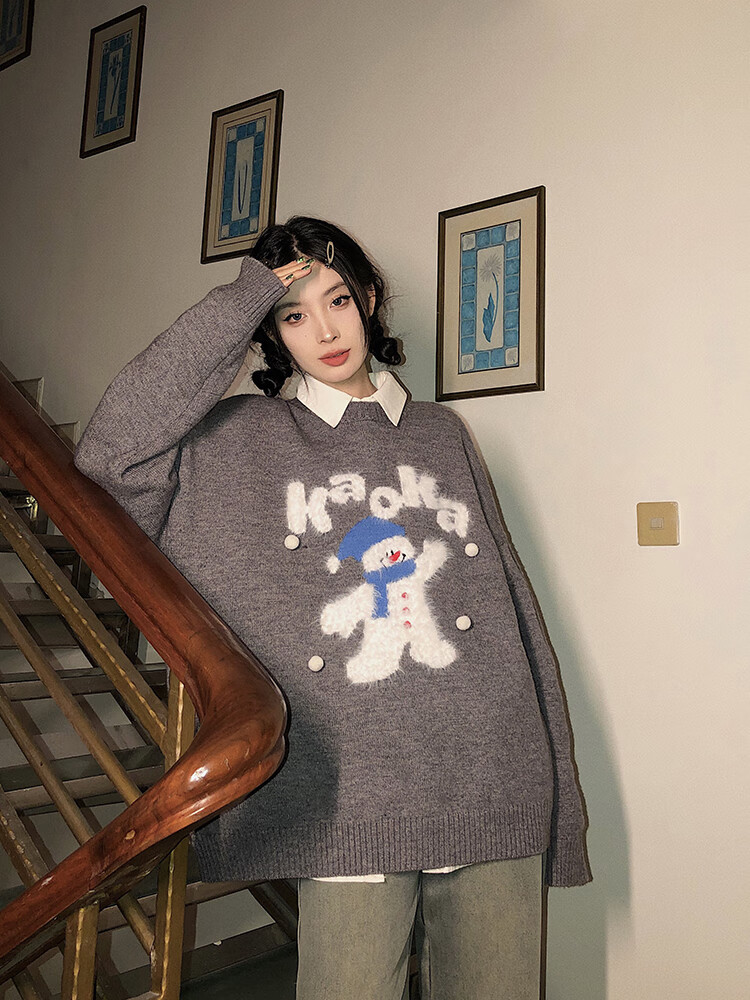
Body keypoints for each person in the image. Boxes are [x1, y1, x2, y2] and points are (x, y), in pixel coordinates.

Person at [74, 216, 591, 1000]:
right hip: (346, 796)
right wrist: (243, 297)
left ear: (369, 299)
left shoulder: (441, 433)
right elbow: (110, 454)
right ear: (269, 330)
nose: (324, 330)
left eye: (339, 300)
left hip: (491, 773)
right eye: (293, 313)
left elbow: (513, 610)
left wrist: (559, 798)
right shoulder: (234, 442)